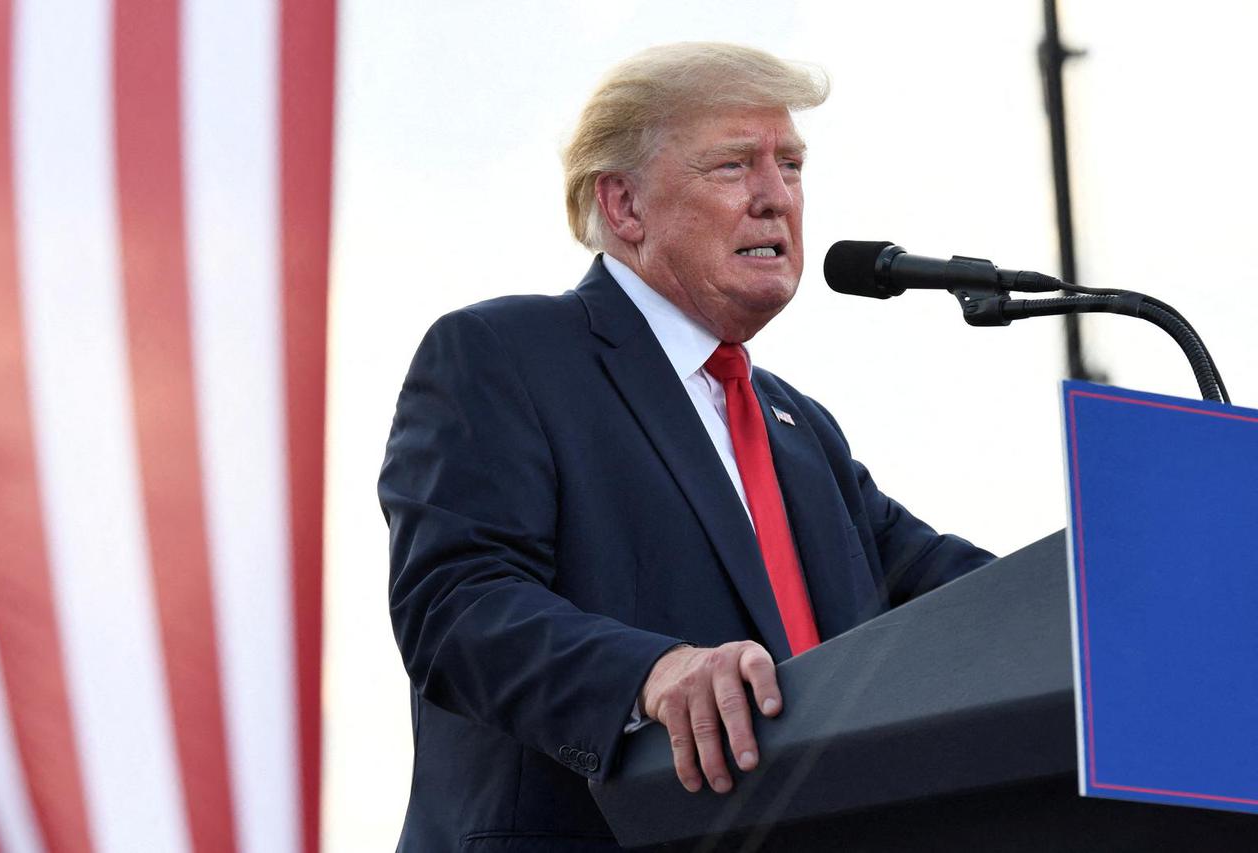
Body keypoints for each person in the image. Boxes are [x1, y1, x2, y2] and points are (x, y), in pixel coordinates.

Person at [379, 42, 994, 852]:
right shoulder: (507, 355)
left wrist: (1137, 587)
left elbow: (974, 598)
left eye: (792, 166)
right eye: (734, 166)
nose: (777, 198)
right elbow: (455, 604)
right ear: (625, 205)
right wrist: (650, 674)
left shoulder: (802, 435)